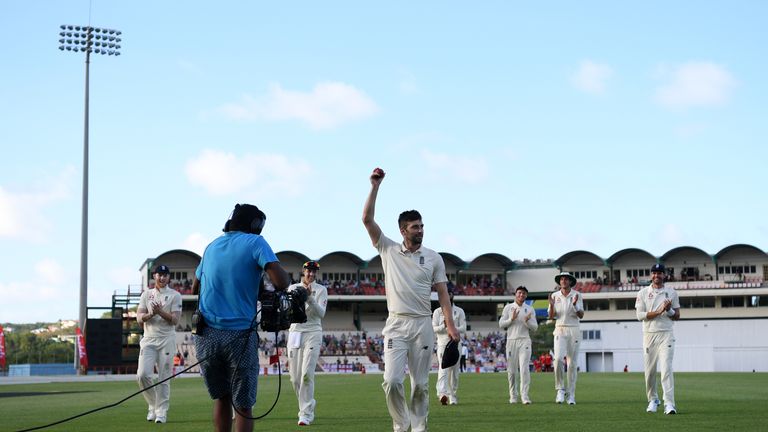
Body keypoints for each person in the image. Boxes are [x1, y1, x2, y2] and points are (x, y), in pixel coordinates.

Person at [363, 167, 460, 432]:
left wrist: (450, 325)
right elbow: (367, 220)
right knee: (392, 381)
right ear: (403, 230)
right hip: (396, 324)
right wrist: (375, 186)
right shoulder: (388, 249)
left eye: (422, 226)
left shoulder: (433, 257)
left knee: (420, 384)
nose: (421, 230)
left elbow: (442, 294)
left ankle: (418, 427)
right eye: (415, 227)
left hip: (422, 325)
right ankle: (401, 423)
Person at [192, 203, 290, 432]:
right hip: (239, 337)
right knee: (243, 405)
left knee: (222, 398)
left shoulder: (211, 246)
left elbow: (195, 286)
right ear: (256, 225)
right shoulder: (255, 242)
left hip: (205, 336)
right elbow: (281, 282)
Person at [136, 264, 182, 424]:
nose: (162, 278)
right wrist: (150, 314)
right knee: (142, 375)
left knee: (164, 377)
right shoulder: (146, 295)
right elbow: (139, 318)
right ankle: (153, 405)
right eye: (159, 274)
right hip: (148, 340)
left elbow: (175, 320)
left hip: (167, 340)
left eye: (165, 275)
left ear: (169, 277)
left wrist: (160, 312)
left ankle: (161, 412)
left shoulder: (175, 295)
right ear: (153, 276)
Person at [635, 263, 680, 415]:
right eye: (654, 273)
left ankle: (669, 403)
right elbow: (640, 316)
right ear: (651, 275)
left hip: (666, 334)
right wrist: (659, 311)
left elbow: (677, 316)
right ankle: (653, 400)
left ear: (664, 275)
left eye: (659, 273)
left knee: (666, 370)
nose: (657, 276)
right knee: (650, 372)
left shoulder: (671, 293)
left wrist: (669, 310)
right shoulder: (642, 293)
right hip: (649, 335)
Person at [288, 260, 328, 426]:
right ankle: (307, 404)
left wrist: (310, 298)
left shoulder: (321, 290)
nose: (311, 274)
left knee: (306, 374)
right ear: (303, 271)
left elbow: (321, 313)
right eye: (308, 271)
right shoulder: (292, 288)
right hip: (295, 333)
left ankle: (305, 413)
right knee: (295, 379)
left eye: (314, 272)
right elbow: (288, 312)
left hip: (313, 332)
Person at [548, 271, 584, 405]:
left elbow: (581, 315)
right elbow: (551, 316)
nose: (563, 281)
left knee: (572, 364)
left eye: (566, 279)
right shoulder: (554, 296)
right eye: (561, 279)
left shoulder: (577, 295)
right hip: (560, 328)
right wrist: (551, 305)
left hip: (574, 328)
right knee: (557, 359)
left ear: (570, 281)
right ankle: (560, 389)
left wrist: (575, 305)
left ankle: (571, 395)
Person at [499, 285, 539, 404]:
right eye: (519, 293)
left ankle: (525, 396)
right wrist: (511, 319)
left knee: (524, 369)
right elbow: (501, 324)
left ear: (526, 296)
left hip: (524, 340)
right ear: (516, 294)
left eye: (524, 293)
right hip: (511, 341)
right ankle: (513, 395)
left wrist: (527, 322)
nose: (521, 295)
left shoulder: (530, 309)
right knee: (511, 371)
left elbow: (535, 327)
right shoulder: (508, 308)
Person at [432, 290, 466, 405]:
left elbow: (463, 328)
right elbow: (434, 329)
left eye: (449, 293)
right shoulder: (437, 312)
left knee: (455, 372)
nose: (447, 295)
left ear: (452, 295)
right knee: (443, 369)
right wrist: (444, 326)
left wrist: (452, 326)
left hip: (456, 344)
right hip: (442, 344)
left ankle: (453, 396)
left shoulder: (459, 311)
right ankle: (443, 394)